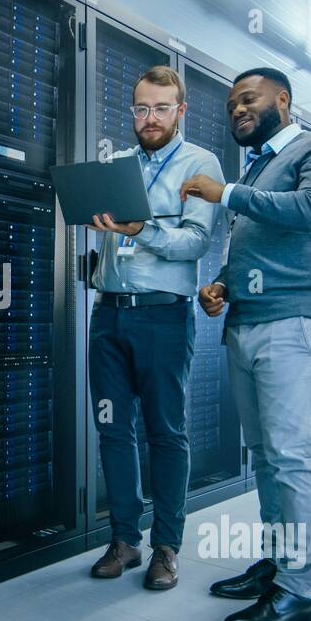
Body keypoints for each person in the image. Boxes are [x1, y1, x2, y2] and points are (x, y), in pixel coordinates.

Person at [181, 67, 311, 621]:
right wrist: (222, 285)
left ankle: (301, 591)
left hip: (297, 318)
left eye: (247, 100)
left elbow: (309, 213)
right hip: (249, 320)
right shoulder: (256, 168)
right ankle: (280, 566)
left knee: (292, 455)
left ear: (283, 99)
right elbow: (250, 243)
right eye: (231, 105)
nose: (237, 111)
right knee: (266, 455)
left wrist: (225, 192)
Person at [87, 65, 221, 591]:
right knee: (112, 430)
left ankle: (167, 546)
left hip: (164, 315)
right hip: (109, 312)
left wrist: (142, 231)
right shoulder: (116, 165)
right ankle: (125, 540)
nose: (150, 118)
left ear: (180, 111)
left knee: (166, 432)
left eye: (162, 108)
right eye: (141, 108)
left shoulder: (199, 164)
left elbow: (195, 243)